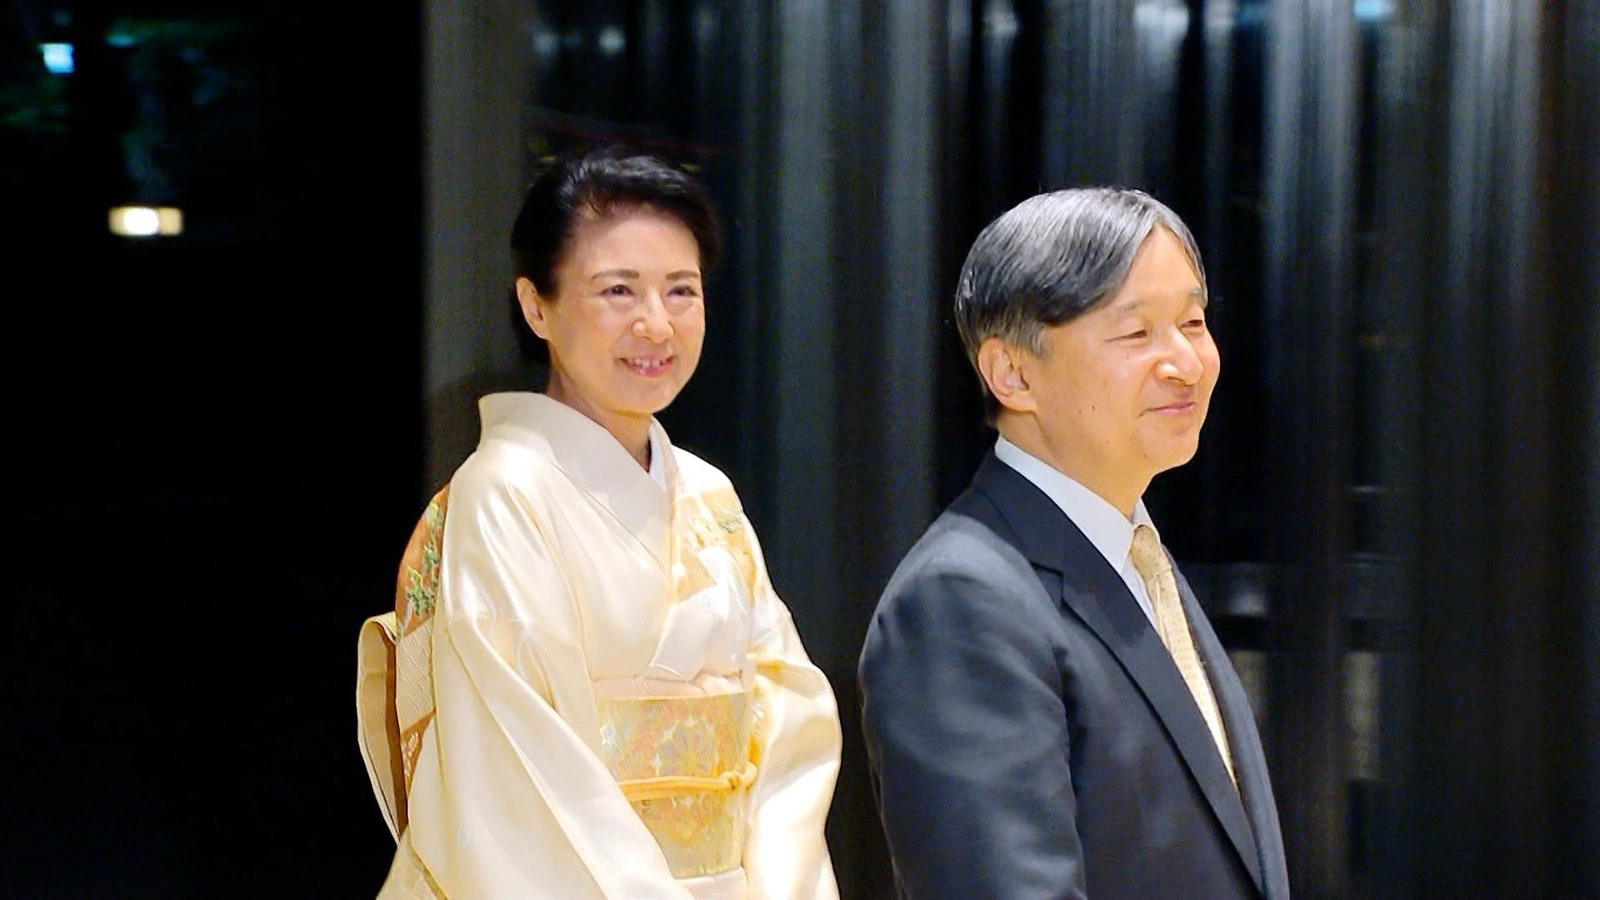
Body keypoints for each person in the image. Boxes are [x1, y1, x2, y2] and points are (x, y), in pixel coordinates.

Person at [356, 144, 843, 899]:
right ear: (535, 305)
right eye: (618, 290)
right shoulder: (504, 494)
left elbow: (790, 735)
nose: (656, 324)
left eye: (682, 291)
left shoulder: (708, 496)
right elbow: (525, 781)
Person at [858, 188, 1290, 899]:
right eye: (1137, 333)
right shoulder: (961, 600)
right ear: (1013, 374)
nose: (1185, 361)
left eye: (1192, 321)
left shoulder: (1134, 549)